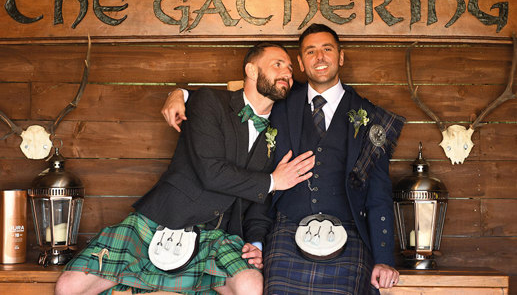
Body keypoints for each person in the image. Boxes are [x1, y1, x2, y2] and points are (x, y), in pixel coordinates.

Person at [54, 42, 315, 295]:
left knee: (250, 286)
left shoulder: (279, 129)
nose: (287, 73)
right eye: (278, 64)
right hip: (163, 218)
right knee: (70, 286)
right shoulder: (209, 101)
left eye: (291, 68)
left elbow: (261, 201)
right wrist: (271, 181)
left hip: (219, 233)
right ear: (251, 70)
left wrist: (256, 243)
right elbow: (211, 171)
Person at [162, 24, 405, 294]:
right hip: (286, 229)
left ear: (341, 56)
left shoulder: (370, 116)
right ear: (300, 63)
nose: (320, 57)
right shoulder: (280, 99)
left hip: (347, 233)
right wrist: (183, 95)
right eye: (310, 51)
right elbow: (238, 102)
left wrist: (383, 259)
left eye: (327, 49)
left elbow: (379, 192)